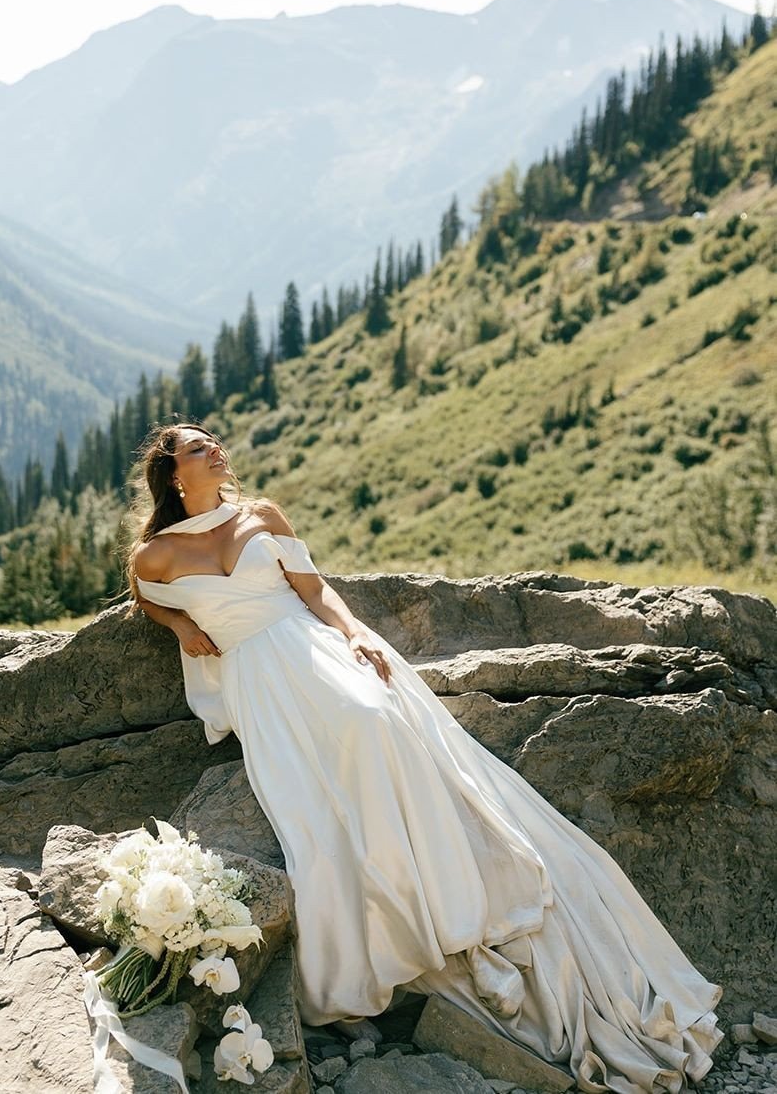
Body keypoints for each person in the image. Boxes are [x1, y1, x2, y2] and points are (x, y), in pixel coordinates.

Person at [128, 420, 723, 1094]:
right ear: (174, 472)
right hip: (258, 682)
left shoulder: (260, 514)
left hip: (308, 645)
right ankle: (389, 910)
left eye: (213, 440)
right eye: (196, 445)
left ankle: (438, 880)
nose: (214, 447)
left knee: (371, 716)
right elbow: (145, 598)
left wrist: (357, 635)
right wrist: (179, 622)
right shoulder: (155, 555)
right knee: (311, 808)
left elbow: (314, 588)